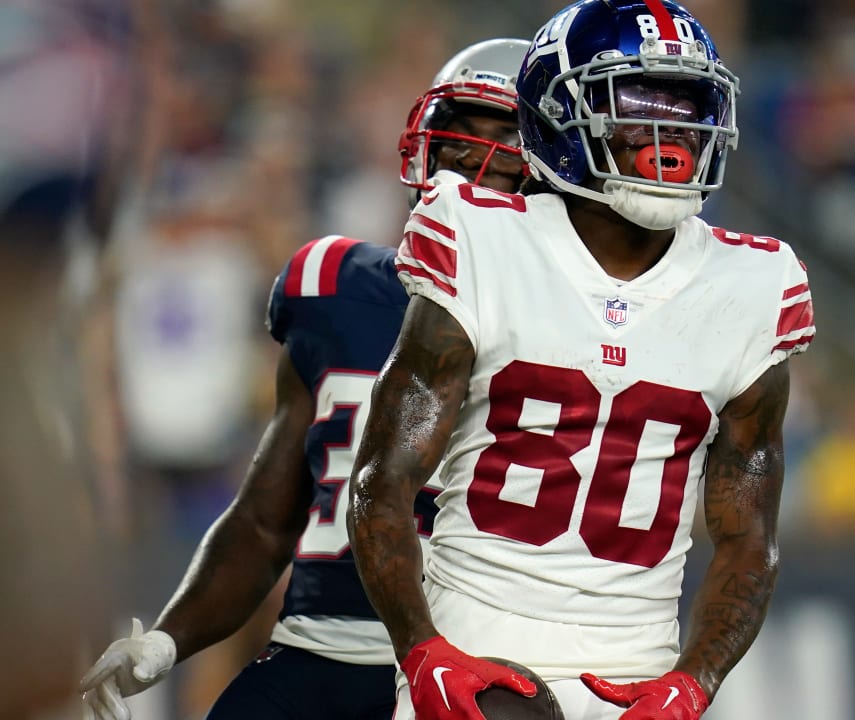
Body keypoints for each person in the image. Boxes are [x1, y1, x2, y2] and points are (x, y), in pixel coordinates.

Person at [348, 1, 816, 719]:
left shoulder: (754, 285)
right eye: (640, 100)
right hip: (479, 655)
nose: (673, 130)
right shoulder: (477, 234)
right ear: (560, 111)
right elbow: (384, 477)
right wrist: (423, 650)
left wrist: (694, 684)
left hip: (638, 676)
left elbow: (750, 539)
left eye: (687, 104)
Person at [77, 38, 531, 720]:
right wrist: (168, 642)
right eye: (463, 137)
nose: (475, 163)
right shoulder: (334, 285)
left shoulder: (590, 324)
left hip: (481, 668)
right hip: (319, 650)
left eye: (507, 147)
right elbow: (265, 519)